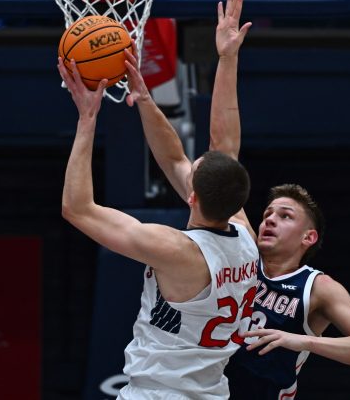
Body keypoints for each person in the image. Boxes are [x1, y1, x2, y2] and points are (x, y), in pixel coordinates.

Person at [126, 0, 350, 399]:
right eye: (269, 211)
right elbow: (213, 154)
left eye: (286, 216)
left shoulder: (315, 287)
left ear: (310, 237)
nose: (269, 218)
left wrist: (302, 342)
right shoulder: (237, 245)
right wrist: (226, 60)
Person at [57, 52, 259, 400]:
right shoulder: (245, 237)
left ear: (191, 197)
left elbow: (77, 208)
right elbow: (181, 157)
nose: (185, 166)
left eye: (190, 174)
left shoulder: (178, 251)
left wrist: (87, 119)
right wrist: (147, 100)